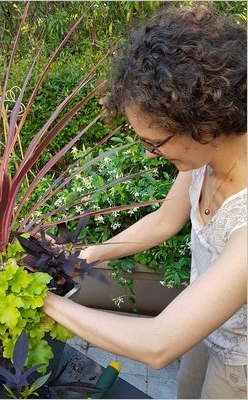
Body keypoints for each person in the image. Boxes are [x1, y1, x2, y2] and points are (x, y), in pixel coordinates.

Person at [44, 4, 247, 399]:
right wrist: (87, 254)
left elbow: (158, 344)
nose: (151, 154)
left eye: (154, 143)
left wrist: (42, 302)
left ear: (202, 121)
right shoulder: (207, 153)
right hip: (208, 328)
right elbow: (165, 220)